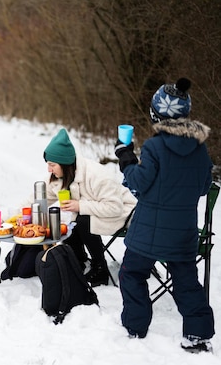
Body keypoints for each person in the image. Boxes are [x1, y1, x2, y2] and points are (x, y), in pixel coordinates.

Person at [114, 78, 214, 352]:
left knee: (131, 273)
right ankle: (197, 335)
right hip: (183, 234)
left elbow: (139, 184)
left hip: (149, 234)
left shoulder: (154, 147)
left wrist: (125, 157)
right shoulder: (200, 149)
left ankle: (136, 327)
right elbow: (204, 186)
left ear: (156, 114)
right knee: (186, 282)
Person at [42, 128, 137, 286]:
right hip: (100, 209)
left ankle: (100, 269)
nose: (48, 169)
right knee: (68, 220)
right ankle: (78, 261)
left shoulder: (96, 175)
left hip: (125, 213)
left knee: (83, 220)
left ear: (65, 163)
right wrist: (12, 217)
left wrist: (80, 205)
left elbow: (115, 207)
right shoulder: (60, 176)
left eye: (52, 165)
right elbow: (38, 198)